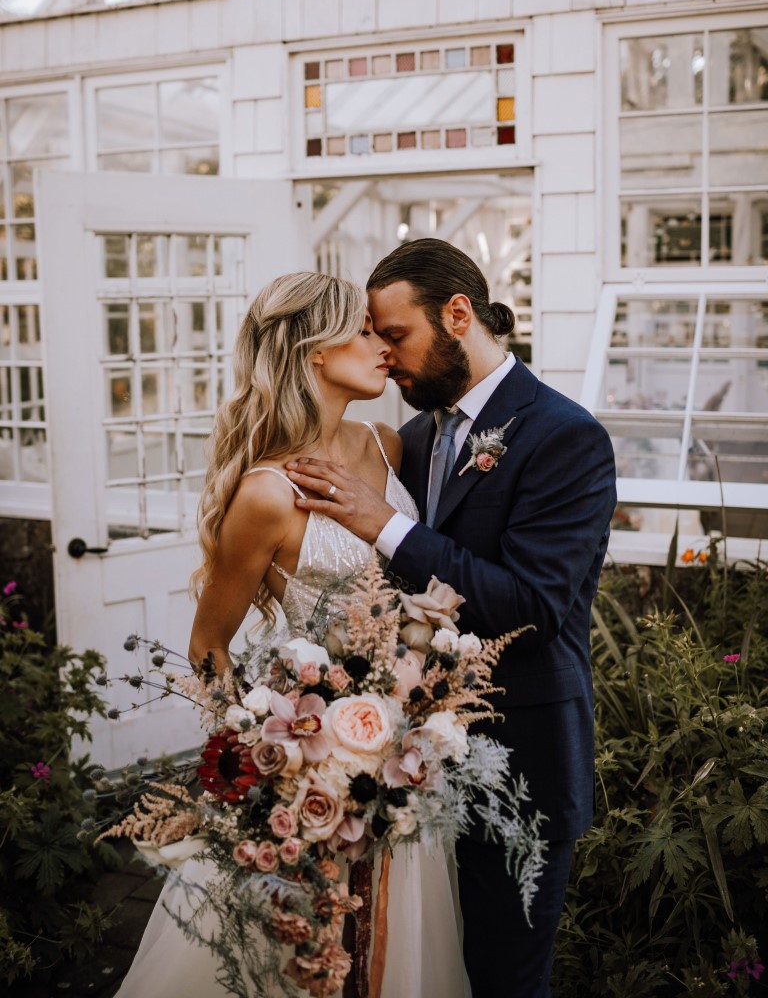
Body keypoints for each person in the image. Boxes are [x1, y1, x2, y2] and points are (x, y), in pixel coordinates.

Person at [116, 272, 467, 998]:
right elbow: (207, 646)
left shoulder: (386, 446)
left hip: (405, 762)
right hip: (313, 771)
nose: (383, 347)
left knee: (397, 952)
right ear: (313, 352)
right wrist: (260, 757)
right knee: (305, 960)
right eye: (365, 332)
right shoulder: (267, 493)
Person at [284, 239, 618, 998]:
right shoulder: (422, 435)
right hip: (412, 768)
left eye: (395, 335)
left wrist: (383, 525)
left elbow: (532, 606)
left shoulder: (564, 436)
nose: (386, 356)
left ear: (458, 314)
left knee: (504, 980)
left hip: (522, 765)